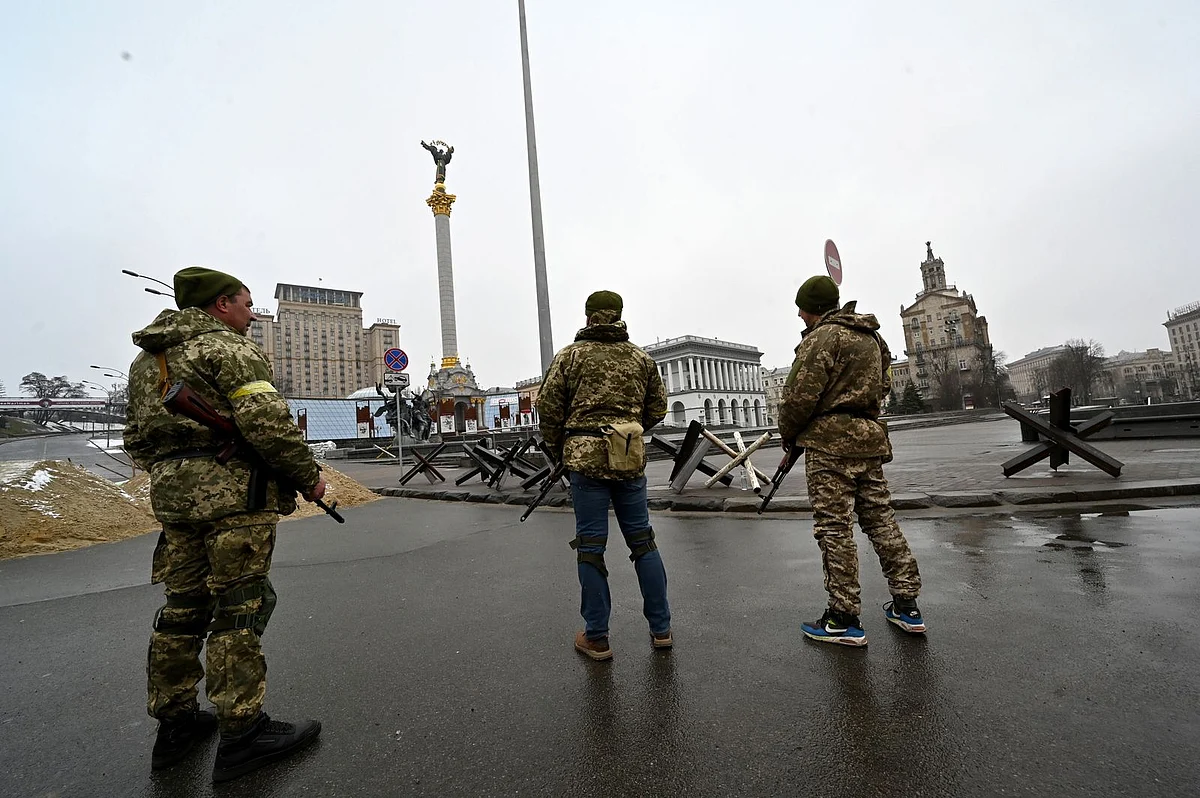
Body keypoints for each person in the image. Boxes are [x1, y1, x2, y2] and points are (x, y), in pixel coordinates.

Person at [124, 266, 325, 782]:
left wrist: (178, 470)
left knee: (182, 607)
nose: (252, 315)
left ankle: (176, 724)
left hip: (174, 501)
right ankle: (243, 733)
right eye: (246, 304)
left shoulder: (147, 361)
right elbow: (268, 424)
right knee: (240, 606)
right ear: (221, 304)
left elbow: (135, 440)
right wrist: (309, 478)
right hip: (234, 499)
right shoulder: (229, 349)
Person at [777, 276, 925, 647]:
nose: (799, 315)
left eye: (801, 308)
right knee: (881, 520)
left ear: (812, 308)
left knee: (834, 527)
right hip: (869, 440)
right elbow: (884, 384)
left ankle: (843, 618)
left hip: (829, 446)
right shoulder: (873, 338)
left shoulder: (821, 339)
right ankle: (907, 605)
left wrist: (789, 434)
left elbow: (798, 397)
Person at [538, 290, 671, 661]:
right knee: (643, 541)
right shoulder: (641, 358)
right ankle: (661, 629)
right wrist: (627, 432)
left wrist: (562, 448)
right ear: (619, 315)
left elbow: (548, 410)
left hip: (585, 464)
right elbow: (658, 408)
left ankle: (597, 637)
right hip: (628, 459)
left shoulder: (570, 356)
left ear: (589, 316)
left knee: (591, 546)